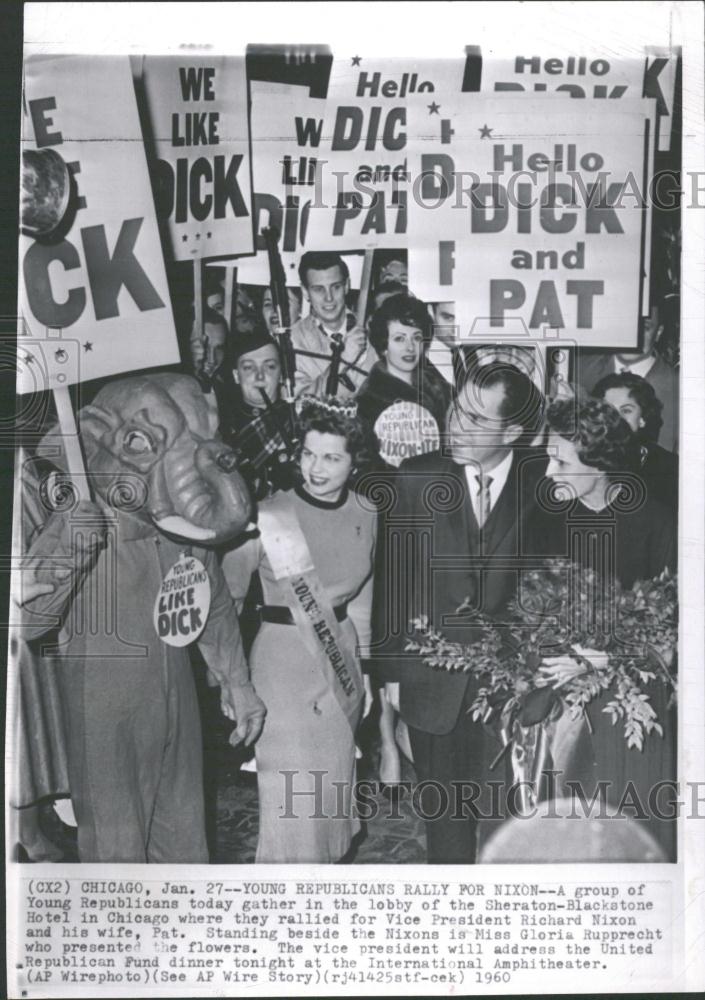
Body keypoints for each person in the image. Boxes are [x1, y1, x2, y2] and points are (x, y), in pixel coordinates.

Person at [373, 362, 548, 863]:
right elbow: (395, 581)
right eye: (455, 410)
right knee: (445, 834)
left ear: (512, 431)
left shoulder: (546, 483)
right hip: (433, 690)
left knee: (507, 831)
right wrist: (393, 681)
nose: (456, 425)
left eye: (474, 419)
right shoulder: (415, 478)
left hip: (512, 694)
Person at [221, 397, 378, 862]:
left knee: (330, 797)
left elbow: (362, 596)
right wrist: (231, 680)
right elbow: (226, 602)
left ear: (354, 463)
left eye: (331, 457)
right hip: (282, 665)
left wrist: (364, 667)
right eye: (309, 454)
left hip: (340, 661)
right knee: (291, 805)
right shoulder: (267, 514)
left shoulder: (368, 512)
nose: (316, 467)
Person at [539, 395, 677, 858]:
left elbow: (672, 629)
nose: (549, 473)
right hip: (562, 701)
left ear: (596, 461)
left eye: (559, 461)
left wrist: (601, 658)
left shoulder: (656, 521)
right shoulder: (551, 519)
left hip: (630, 709)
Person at [356, 293, 452, 467]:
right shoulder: (368, 400)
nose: (410, 347)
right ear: (384, 345)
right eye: (399, 339)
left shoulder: (439, 387)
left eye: (416, 337)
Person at [577, 302, 679, 452]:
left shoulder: (681, 389)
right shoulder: (577, 369)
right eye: (627, 325)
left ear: (658, 333)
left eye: (644, 328)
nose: (633, 336)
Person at [219, 326, 298, 501]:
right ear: (236, 376)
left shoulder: (299, 420)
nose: (260, 376)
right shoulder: (222, 427)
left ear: (281, 374)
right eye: (248, 368)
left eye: (270, 366)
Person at [290, 251, 376, 398]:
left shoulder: (374, 331)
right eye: (318, 289)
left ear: (347, 286)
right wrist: (342, 361)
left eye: (336, 287)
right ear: (305, 292)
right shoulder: (292, 341)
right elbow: (301, 405)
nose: (328, 298)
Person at [592, 371, 678, 511]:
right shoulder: (585, 461)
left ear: (643, 418)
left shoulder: (670, 468)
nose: (615, 419)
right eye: (608, 410)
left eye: (626, 411)